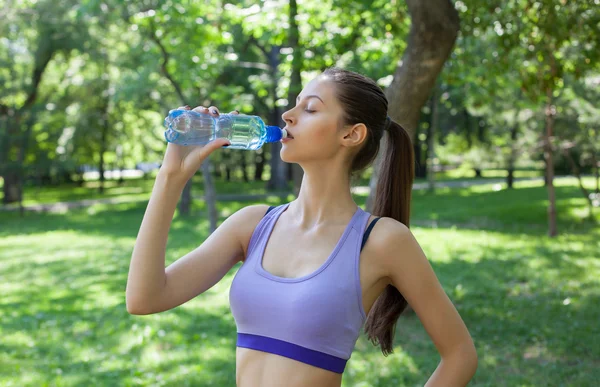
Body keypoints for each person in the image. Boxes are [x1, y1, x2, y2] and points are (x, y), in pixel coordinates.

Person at [126, 67, 477, 387]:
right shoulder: (253, 224)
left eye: (309, 109)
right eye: (295, 106)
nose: (287, 116)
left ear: (351, 135)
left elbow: (460, 354)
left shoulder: (382, 241)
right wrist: (170, 178)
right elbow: (145, 298)